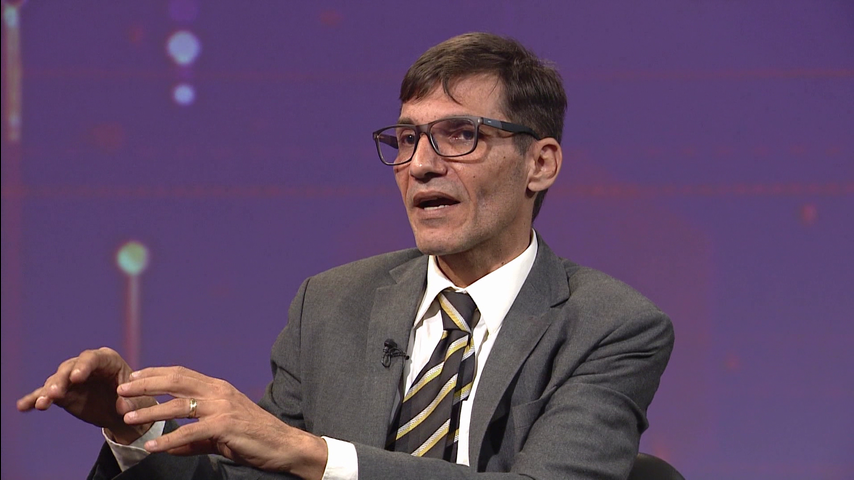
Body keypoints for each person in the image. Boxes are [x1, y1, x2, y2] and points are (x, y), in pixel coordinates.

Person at [17, 32, 674, 480]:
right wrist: (134, 431)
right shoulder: (331, 305)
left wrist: (313, 454)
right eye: (407, 139)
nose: (420, 165)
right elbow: (259, 472)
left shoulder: (609, 325)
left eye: (459, 136)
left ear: (540, 163)